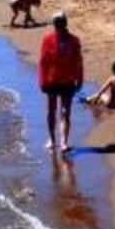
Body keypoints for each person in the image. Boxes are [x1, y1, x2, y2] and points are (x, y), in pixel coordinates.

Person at [37, 12, 84, 159]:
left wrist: (80, 79)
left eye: (61, 22)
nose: (59, 25)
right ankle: (52, 139)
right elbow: (43, 62)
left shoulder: (74, 40)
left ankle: (64, 142)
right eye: (57, 23)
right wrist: (42, 81)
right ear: (54, 24)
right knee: (51, 111)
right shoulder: (47, 39)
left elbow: (79, 61)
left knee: (65, 111)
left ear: (65, 23)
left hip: (68, 80)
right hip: (51, 80)